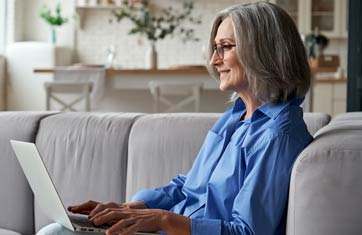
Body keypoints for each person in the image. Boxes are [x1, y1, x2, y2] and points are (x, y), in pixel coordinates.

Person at [38, 2, 313, 235]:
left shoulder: (278, 135)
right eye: (215, 48)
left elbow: (246, 230)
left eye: (225, 47)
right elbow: (189, 186)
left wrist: (162, 218)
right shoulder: (235, 116)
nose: (215, 61)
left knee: (56, 233)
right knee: (61, 228)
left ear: (263, 52)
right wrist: (130, 208)